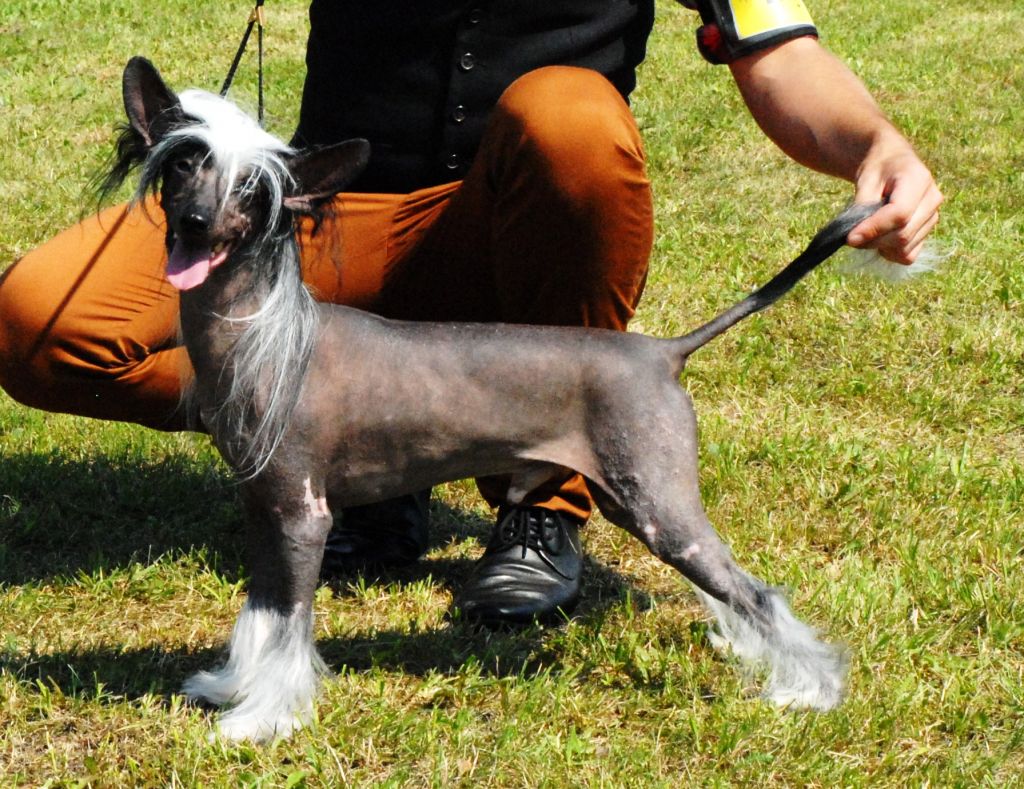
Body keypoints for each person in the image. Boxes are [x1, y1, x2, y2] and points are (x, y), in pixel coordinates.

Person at [0, 2, 942, 625]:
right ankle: (325, 439)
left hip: (511, 218)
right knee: (41, 317)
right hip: (325, 220)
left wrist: (873, 142)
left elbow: (778, 50)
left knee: (575, 121)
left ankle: (543, 502)